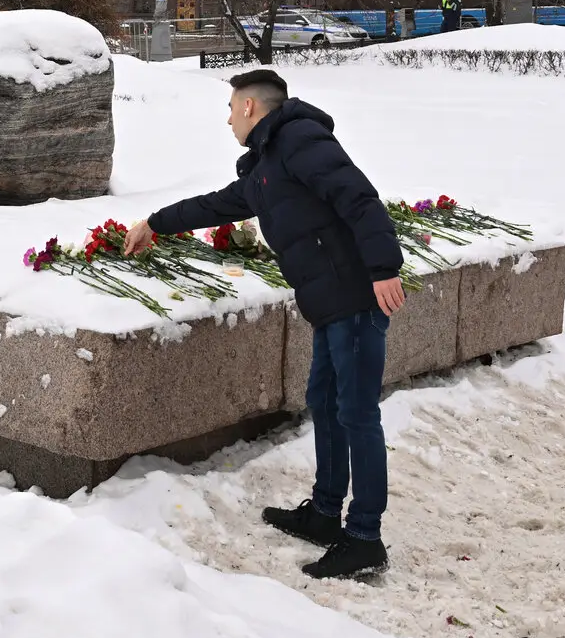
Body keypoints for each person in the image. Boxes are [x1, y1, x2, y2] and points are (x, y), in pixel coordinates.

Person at [125, 67, 403, 579]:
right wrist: (155, 223)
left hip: (355, 297)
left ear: (251, 107)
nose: (228, 119)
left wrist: (384, 268)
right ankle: (325, 512)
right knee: (324, 402)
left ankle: (364, 536)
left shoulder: (299, 139)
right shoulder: (265, 167)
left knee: (357, 414)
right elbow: (218, 204)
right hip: (328, 302)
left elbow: (357, 196)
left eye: (231, 109)